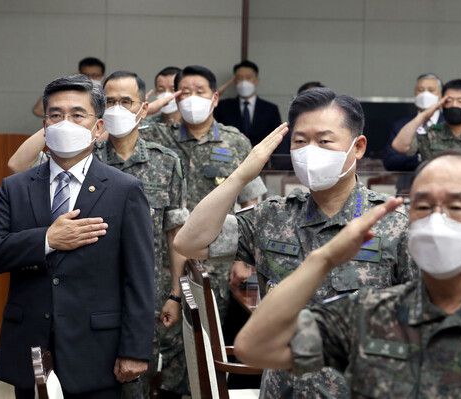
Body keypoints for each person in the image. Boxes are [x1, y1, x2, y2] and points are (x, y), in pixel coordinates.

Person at [174, 88, 417, 398]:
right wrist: (240, 176)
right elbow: (189, 242)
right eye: (300, 141)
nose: (310, 151)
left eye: (325, 141)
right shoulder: (273, 216)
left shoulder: (395, 223)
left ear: (358, 147)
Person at [234, 148, 461, 398]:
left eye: (457, 206)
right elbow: (255, 346)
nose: (437, 219)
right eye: (423, 206)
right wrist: (323, 259)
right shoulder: (370, 313)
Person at [0, 74, 154, 399]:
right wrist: (47, 239)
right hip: (31, 346)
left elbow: (139, 278)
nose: (64, 123)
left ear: (98, 128)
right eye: (56, 115)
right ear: (44, 125)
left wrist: (136, 349)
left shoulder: (125, 190)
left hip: (99, 351)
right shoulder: (15, 188)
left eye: (77, 115)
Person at [141, 64, 267, 398]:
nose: (192, 99)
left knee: (208, 342)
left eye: (200, 92)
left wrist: (247, 259)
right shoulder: (156, 135)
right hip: (166, 259)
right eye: (185, 92)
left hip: (219, 262)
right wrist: (154, 107)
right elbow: (119, 135)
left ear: (214, 99)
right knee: (165, 344)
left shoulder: (234, 140)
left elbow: (253, 199)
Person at [383, 73, 444, 193]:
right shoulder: (401, 125)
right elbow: (391, 161)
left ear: (441, 96)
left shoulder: (449, 124)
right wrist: (421, 157)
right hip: (408, 189)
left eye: (431, 90)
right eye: (420, 90)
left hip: (443, 187)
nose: (425, 94)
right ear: (415, 94)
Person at [213, 60, 282, 149]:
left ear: (257, 81)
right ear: (234, 81)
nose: (244, 82)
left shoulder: (270, 109)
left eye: (248, 77)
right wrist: (214, 95)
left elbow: (278, 139)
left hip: (262, 158)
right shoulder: (223, 107)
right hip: (230, 157)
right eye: (239, 78)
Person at [31, 57, 106, 117]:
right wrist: (65, 83)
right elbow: (38, 110)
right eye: (85, 75)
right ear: (78, 74)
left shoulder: (110, 96)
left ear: (103, 77)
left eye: (95, 75)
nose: (90, 79)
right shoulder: (68, 93)